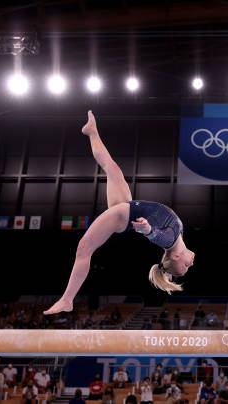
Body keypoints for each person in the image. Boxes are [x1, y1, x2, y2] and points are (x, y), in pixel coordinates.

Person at [44, 111, 195, 315]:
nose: (191, 263)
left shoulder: (169, 240)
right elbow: (158, 235)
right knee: (112, 168)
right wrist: (166, 272)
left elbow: (155, 235)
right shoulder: (178, 235)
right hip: (127, 207)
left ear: (176, 257)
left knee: (84, 248)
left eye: (186, 266)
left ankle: (67, 299)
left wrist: (147, 229)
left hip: (122, 215)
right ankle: (92, 132)